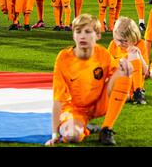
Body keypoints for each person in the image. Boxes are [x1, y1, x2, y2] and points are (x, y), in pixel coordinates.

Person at [45, 14, 133, 146]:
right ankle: (83, 127)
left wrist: (123, 63)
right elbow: (58, 98)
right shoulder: (63, 58)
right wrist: (55, 134)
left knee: (124, 70)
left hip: (98, 104)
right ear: (73, 35)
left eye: (87, 31)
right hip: (74, 109)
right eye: (78, 31)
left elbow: (117, 70)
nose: (82, 36)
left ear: (98, 35)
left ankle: (106, 129)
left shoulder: (103, 54)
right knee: (72, 136)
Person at [108, 16, 149, 105]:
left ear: (132, 37)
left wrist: (140, 56)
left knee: (133, 53)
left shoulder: (140, 44)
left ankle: (137, 92)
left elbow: (146, 72)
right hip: (117, 81)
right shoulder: (113, 45)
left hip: (132, 85)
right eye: (116, 39)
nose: (118, 43)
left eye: (123, 41)